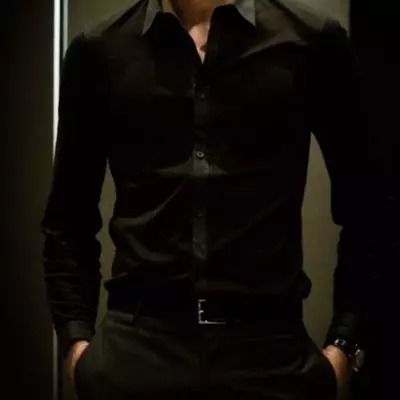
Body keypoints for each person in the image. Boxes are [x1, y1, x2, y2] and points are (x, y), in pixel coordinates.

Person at [40, 0, 389, 399]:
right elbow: (67, 220)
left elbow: (370, 209)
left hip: (271, 358)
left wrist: (345, 345)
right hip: (135, 355)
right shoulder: (99, 50)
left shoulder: (312, 42)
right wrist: (76, 347)